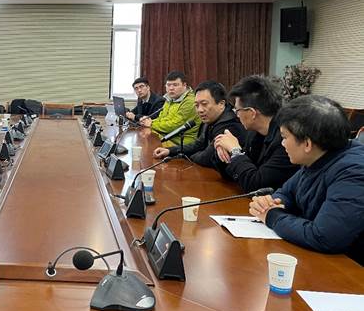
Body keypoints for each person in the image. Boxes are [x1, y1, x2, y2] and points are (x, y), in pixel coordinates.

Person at [249, 95, 364, 265]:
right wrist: (270, 203)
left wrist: (271, 215)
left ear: (307, 144)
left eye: (284, 137)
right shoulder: (319, 156)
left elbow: (324, 237)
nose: (282, 144)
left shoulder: (354, 172)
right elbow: (286, 193)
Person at [213, 75, 298, 193]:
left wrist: (235, 151)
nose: (237, 115)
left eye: (237, 110)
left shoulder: (285, 141)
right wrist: (223, 152)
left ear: (252, 113)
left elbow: (256, 185)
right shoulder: (253, 133)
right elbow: (237, 175)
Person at [153, 81, 247, 167]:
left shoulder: (229, 126)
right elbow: (199, 144)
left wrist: (185, 156)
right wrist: (170, 151)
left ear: (221, 104)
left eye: (204, 104)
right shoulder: (210, 119)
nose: (200, 110)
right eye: (197, 105)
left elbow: (206, 158)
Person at [140, 71, 200, 145]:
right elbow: (162, 118)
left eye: (175, 85)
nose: (171, 88)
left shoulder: (190, 101)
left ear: (184, 85)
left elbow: (175, 125)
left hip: (181, 142)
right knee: (142, 140)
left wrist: (151, 124)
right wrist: (148, 121)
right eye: (168, 85)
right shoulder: (170, 99)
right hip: (166, 136)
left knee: (148, 146)